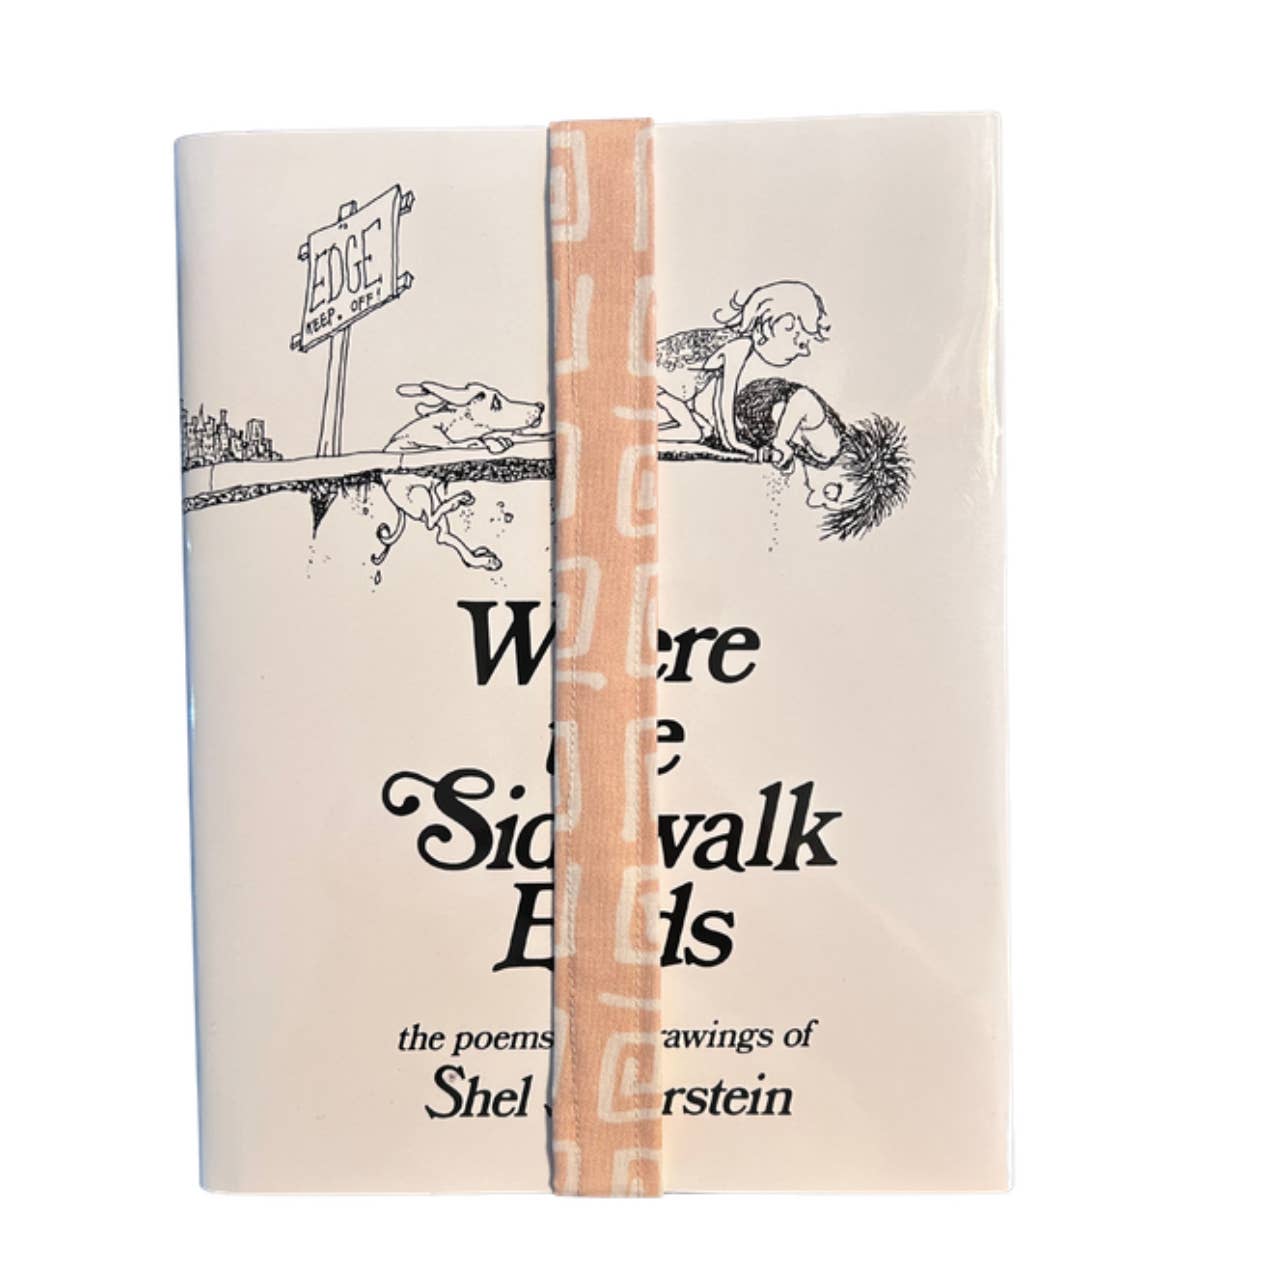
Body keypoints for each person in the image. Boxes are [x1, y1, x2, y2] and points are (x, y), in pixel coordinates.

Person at [656, 281, 830, 454]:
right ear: (776, 326)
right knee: (693, 432)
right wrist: (733, 443)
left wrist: (727, 439)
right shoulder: (738, 347)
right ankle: (643, 434)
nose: (804, 352)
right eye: (800, 343)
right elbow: (725, 399)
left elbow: (717, 400)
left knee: (703, 431)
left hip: (663, 390)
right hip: (655, 385)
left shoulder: (732, 341)